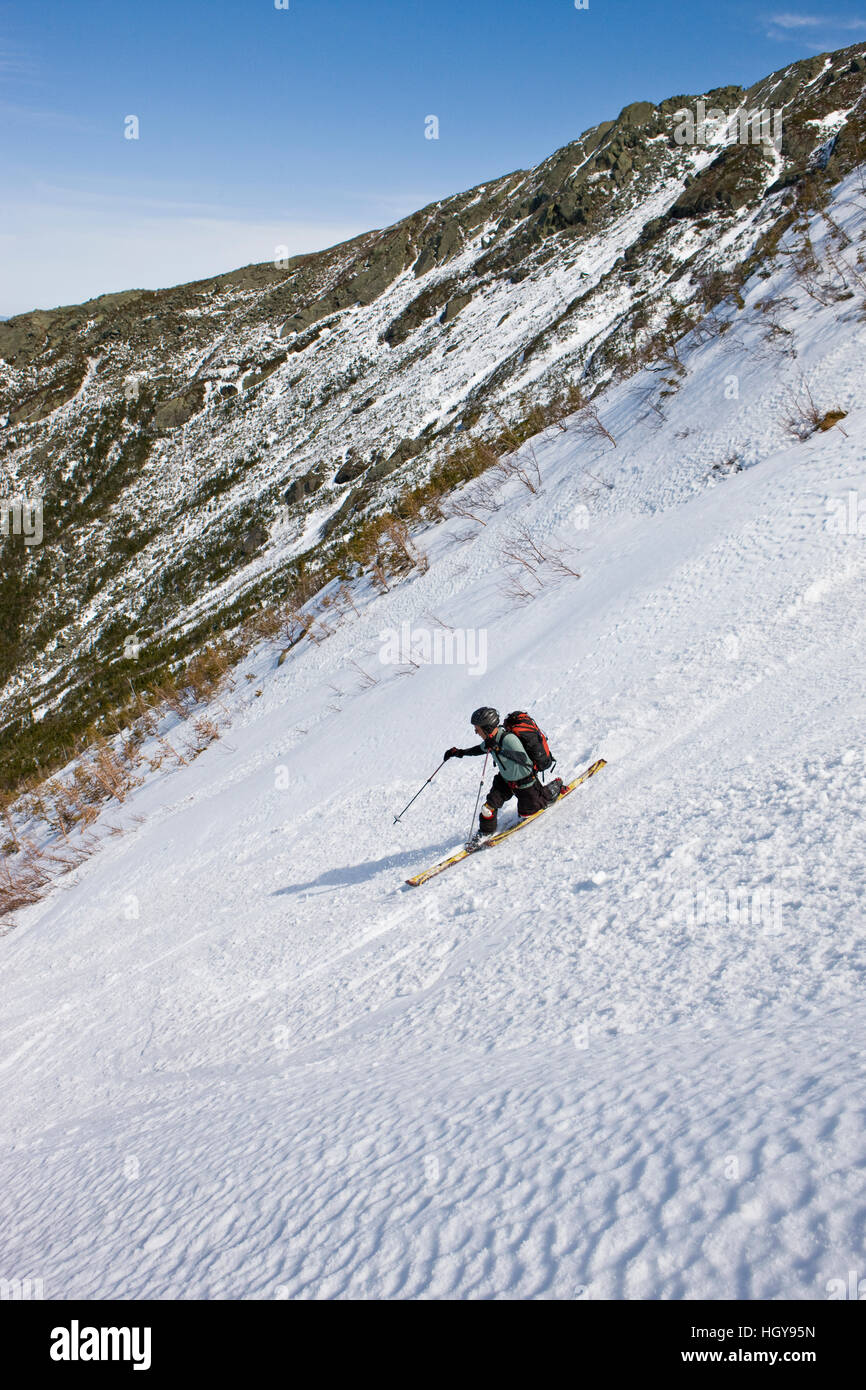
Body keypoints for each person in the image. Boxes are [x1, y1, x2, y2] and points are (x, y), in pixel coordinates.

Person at [444, 706, 563, 837]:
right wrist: (459, 753)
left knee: (528, 812)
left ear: (487, 728)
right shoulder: (490, 741)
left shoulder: (508, 739)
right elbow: (479, 749)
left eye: (477, 729)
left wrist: (499, 749)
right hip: (505, 780)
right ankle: (485, 833)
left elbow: (524, 760)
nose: (476, 732)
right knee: (487, 809)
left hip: (525, 782)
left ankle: (553, 788)